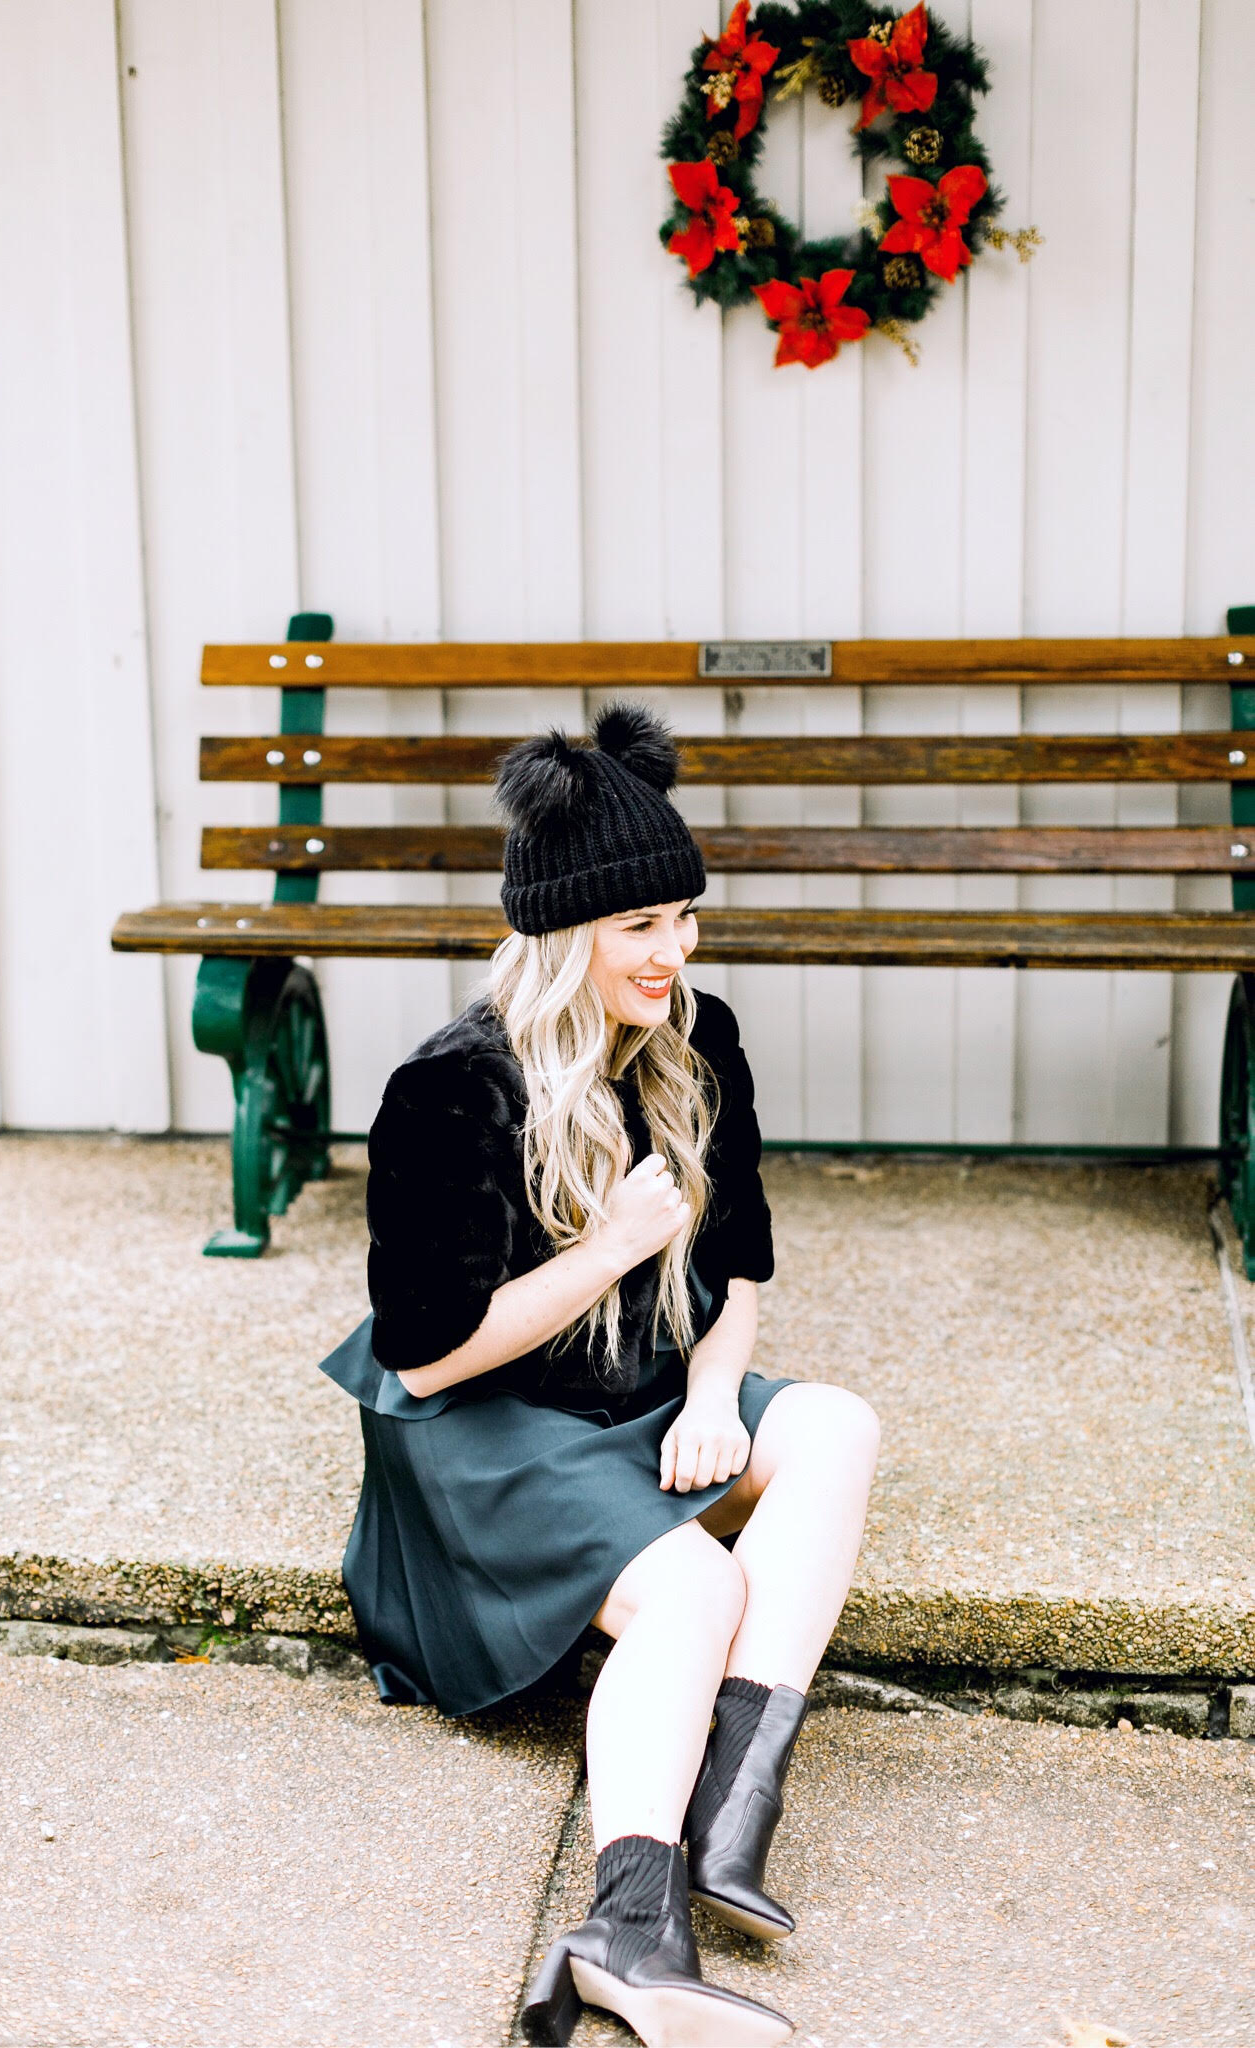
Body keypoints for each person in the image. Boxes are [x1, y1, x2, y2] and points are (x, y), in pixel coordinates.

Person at [319, 703, 881, 2048]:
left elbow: (737, 1268)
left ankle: (728, 1812)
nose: (671, 952)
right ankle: (625, 1933)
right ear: (565, 931)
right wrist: (613, 1246)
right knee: (695, 1580)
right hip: (483, 1427)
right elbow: (428, 1348)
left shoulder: (699, 1041)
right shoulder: (449, 1090)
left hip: (638, 1397)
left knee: (835, 1428)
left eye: (682, 918)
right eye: (639, 927)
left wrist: (703, 1397)